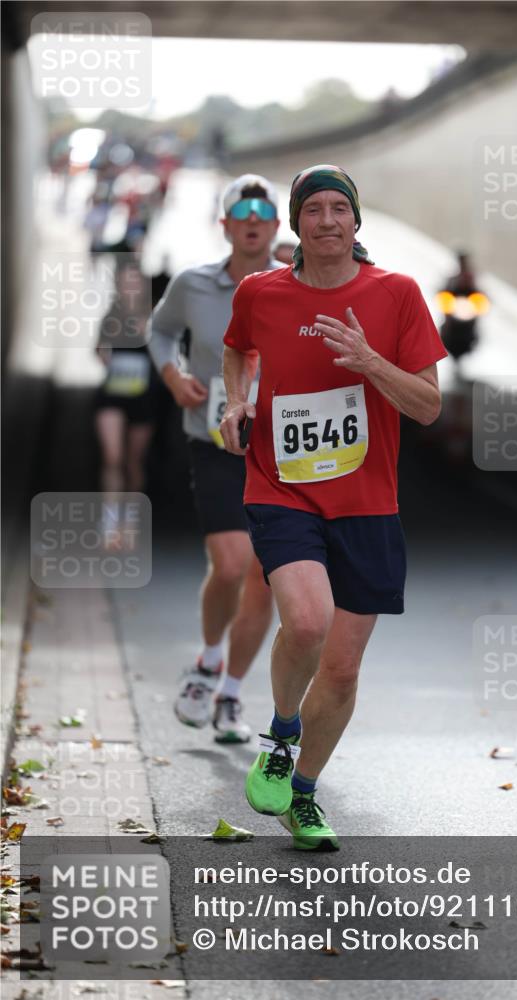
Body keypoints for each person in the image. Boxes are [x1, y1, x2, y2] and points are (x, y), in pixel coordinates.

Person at [221, 164, 447, 849]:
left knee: (344, 669)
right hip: (282, 488)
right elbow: (237, 350)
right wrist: (237, 401)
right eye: (313, 209)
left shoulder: (397, 294)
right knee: (309, 621)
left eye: (337, 209)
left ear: (356, 220)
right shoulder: (260, 293)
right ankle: (282, 730)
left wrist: (370, 362)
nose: (326, 220)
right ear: (297, 223)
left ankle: (305, 794)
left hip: (367, 501)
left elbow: (430, 406)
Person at [148, 174, 281, 743]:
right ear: (224, 224)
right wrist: (174, 376)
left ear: (278, 225)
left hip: (281, 452)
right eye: (240, 213)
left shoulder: (298, 283)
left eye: (263, 212)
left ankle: (230, 694)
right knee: (230, 566)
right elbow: (159, 332)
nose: (252, 221)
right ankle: (206, 662)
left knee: (264, 576)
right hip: (215, 444)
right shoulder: (193, 285)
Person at [94, 260, 158, 523]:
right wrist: (105, 359)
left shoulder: (156, 316)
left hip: (143, 398)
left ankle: (130, 520)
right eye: (124, 281)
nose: (129, 286)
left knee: (133, 462)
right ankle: (110, 522)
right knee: (112, 457)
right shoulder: (111, 315)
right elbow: (98, 347)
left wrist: (150, 334)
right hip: (113, 394)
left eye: (134, 280)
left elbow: (172, 356)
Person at [437, 251, 488, 361]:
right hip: (453, 315)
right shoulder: (452, 279)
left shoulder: (473, 278)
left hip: (468, 314)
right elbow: (442, 291)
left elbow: (481, 294)